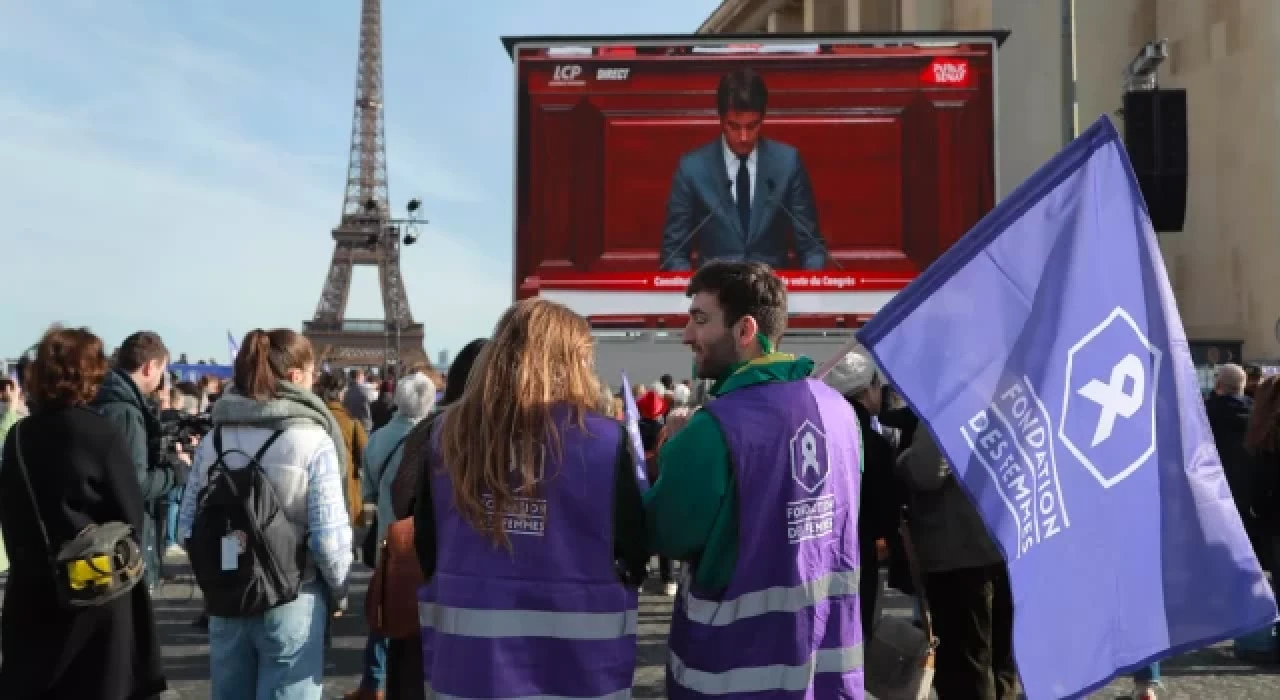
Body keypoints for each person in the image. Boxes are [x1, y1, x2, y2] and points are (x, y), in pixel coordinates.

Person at [645, 261, 863, 697]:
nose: (687, 334)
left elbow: (662, 534)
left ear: (745, 331)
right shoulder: (841, 412)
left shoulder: (712, 429)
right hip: (828, 675)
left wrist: (671, 452)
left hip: (732, 676)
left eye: (700, 319)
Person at [414, 300, 648, 698]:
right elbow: (635, 552)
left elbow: (427, 547)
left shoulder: (444, 436)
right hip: (580, 672)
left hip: (469, 670)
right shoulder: (605, 441)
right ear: (574, 362)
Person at [178, 328, 353, 700]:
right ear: (294, 377)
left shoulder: (215, 438)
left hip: (227, 597)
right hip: (293, 595)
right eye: (312, 375)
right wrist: (338, 591)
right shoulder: (314, 440)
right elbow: (329, 541)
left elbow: (187, 526)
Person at [0, 326, 167, 699]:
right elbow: (130, 514)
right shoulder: (101, 434)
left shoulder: (21, 436)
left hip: (34, 587)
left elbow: (12, 513)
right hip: (97, 587)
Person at [659, 67, 829, 271]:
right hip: (716, 292)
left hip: (770, 291)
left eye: (752, 126)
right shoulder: (692, 168)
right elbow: (674, 253)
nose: (744, 137)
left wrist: (812, 295)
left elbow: (811, 248)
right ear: (721, 120)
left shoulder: (787, 163)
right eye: (734, 126)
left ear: (763, 119)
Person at [348, 372, 437, 700]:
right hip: (423, 541)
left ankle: (373, 682)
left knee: (383, 610)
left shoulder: (379, 438)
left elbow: (368, 489)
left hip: (388, 540)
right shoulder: (437, 438)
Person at [91, 330, 184, 591]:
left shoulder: (102, 398)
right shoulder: (126, 411)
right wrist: (176, 471)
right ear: (149, 366)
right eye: (161, 372)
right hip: (123, 538)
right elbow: (136, 484)